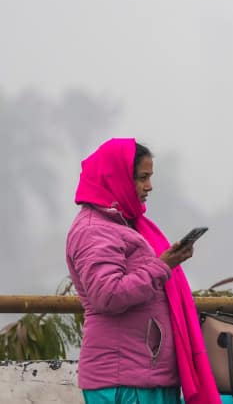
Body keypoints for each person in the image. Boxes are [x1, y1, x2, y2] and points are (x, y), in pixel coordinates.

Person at [66, 138, 222, 404]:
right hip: (123, 381)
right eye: (142, 178)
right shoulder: (94, 230)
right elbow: (108, 295)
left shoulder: (124, 224)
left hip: (144, 375)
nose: (149, 186)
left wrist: (166, 263)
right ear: (116, 178)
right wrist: (163, 265)